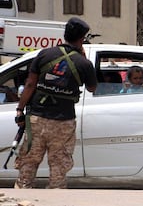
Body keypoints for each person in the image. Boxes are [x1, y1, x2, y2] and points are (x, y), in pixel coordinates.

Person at [14, 17, 97, 189]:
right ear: (82, 39)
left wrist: (20, 110)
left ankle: (22, 197)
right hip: (63, 122)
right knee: (59, 169)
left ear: (65, 35)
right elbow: (92, 88)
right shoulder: (83, 63)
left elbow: (30, 84)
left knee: (28, 165)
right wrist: (83, 57)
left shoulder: (45, 54)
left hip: (37, 120)